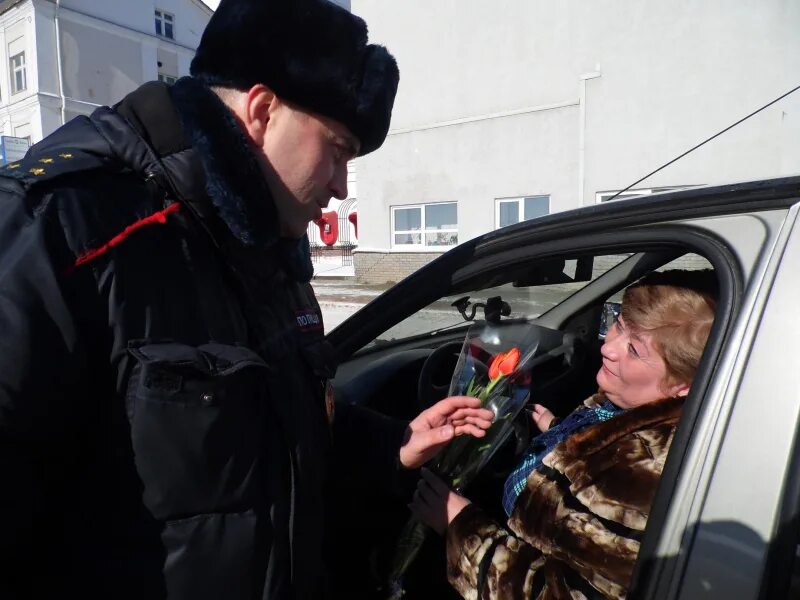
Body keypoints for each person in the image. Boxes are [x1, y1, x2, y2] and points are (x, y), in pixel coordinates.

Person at [0, 1, 494, 598]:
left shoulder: (267, 248)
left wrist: (395, 444)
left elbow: (278, 423)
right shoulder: (67, 233)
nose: (341, 186)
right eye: (337, 150)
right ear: (262, 110)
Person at [411, 269, 718, 599]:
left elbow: (561, 593)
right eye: (618, 324)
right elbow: (594, 458)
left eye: (634, 350)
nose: (608, 347)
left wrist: (463, 528)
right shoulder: (623, 406)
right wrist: (559, 432)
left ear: (682, 386)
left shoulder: (642, 475)